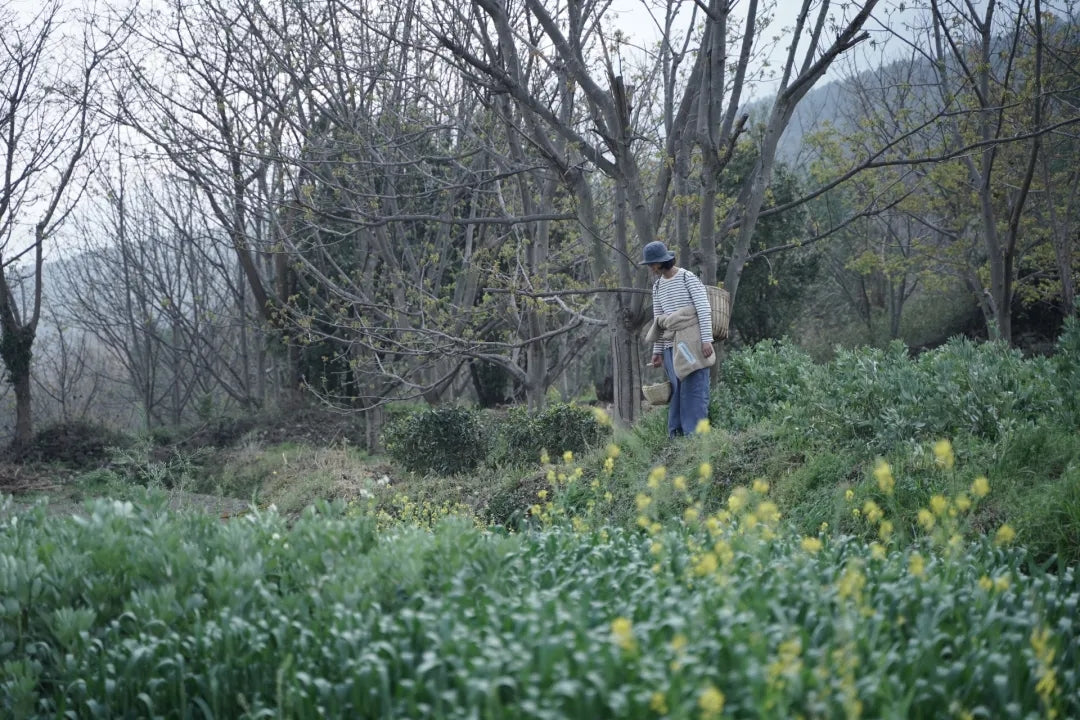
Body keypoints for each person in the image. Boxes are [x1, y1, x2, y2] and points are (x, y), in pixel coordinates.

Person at [640, 241, 714, 437]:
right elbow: (659, 322)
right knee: (676, 390)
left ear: (661, 262)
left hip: (691, 343)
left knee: (694, 387)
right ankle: (677, 435)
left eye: (651, 264)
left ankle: (696, 436)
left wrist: (707, 340)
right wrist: (657, 351)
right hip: (671, 346)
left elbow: (704, 309)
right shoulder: (657, 287)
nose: (650, 268)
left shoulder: (687, 278)